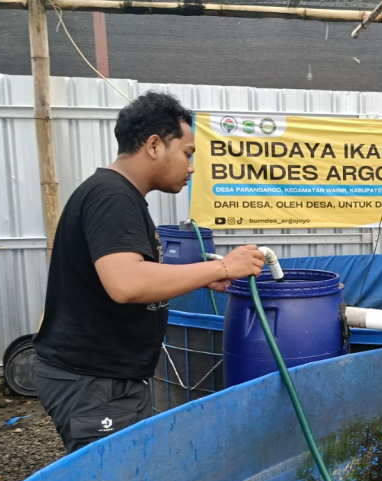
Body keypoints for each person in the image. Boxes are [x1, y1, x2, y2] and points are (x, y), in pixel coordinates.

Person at [32, 92, 266, 453]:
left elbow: (129, 271)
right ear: (155, 145)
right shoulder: (113, 198)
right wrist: (222, 265)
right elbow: (126, 283)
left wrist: (205, 274)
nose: (191, 167)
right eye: (187, 154)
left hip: (106, 378)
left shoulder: (113, 194)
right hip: (94, 382)